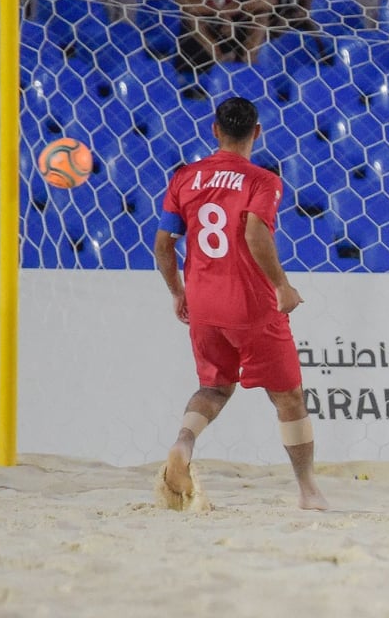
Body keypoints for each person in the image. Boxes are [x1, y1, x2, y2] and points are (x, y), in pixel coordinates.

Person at [154, 96, 328, 511]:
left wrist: (178, 291)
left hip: (203, 304)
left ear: (215, 130)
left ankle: (183, 442)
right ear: (257, 133)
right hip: (250, 305)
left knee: (214, 387)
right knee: (288, 397)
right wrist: (282, 286)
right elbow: (254, 234)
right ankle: (308, 490)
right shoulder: (262, 180)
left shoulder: (184, 177)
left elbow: (163, 245)